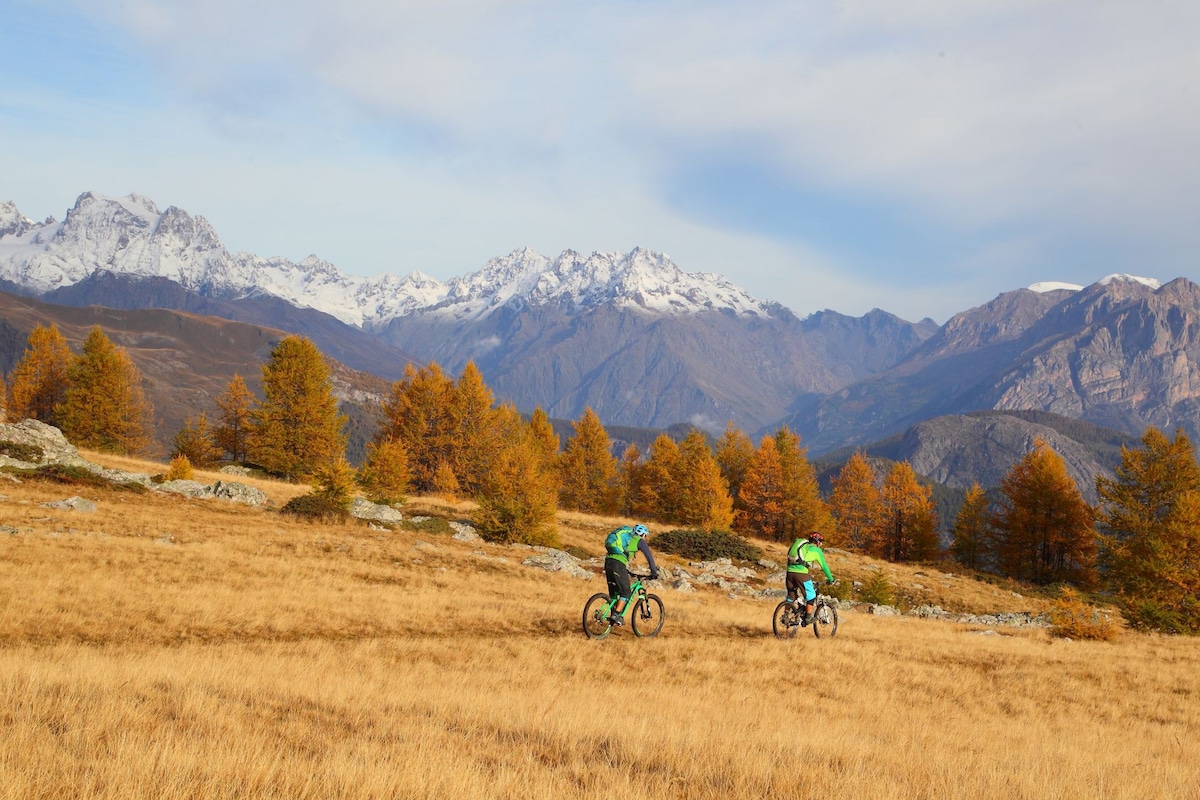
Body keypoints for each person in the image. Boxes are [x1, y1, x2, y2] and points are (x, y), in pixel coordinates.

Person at [604, 523, 659, 626]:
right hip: (618, 564)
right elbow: (649, 556)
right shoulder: (639, 541)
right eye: (645, 536)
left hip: (608, 562)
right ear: (643, 534)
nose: (645, 539)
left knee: (614, 592)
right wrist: (654, 571)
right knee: (626, 593)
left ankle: (614, 617)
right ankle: (616, 615)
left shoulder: (628, 538)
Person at [786, 531, 835, 626]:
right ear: (818, 542)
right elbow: (824, 566)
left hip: (789, 572)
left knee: (791, 596)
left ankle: (785, 615)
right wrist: (831, 579)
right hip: (801, 574)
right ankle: (808, 617)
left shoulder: (802, 546)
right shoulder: (816, 550)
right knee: (811, 595)